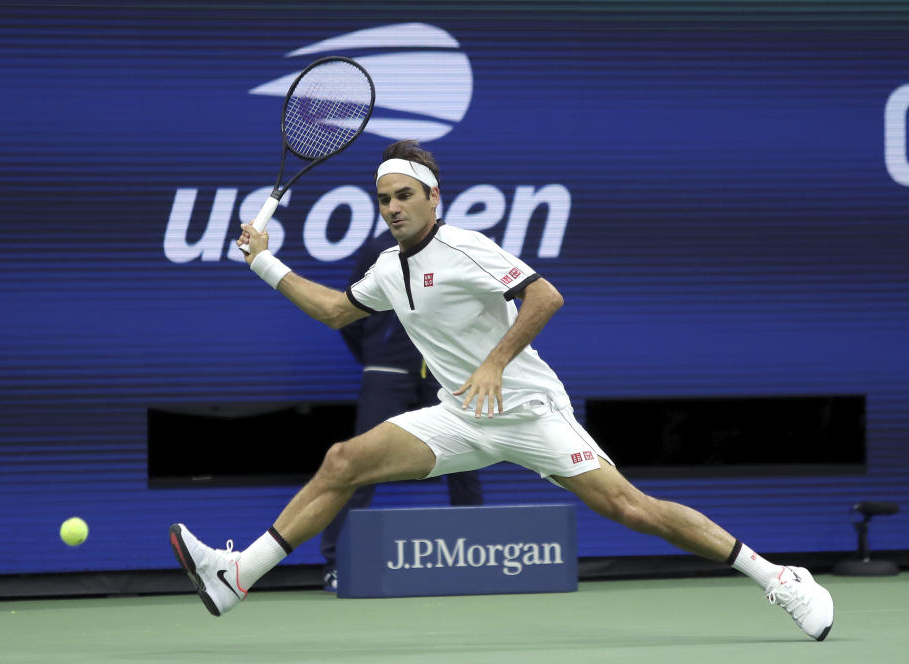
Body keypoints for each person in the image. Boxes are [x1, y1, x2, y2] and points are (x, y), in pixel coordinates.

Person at [169, 140, 834, 641]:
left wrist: (494, 362)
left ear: (433, 198)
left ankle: (778, 576)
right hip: (460, 417)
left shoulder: (464, 246)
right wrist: (263, 261)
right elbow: (338, 310)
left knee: (631, 509)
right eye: (385, 198)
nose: (394, 207)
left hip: (528, 412)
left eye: (406, 195)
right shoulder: (385, 269)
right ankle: (238, 576)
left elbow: (545, 295)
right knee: (343, 460)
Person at [320, 233, 484, 593]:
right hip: (388, 367)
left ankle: (478, 557)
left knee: (468, 460)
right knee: (360, 465)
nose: (398, 206)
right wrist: (377, 354)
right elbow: (349, 311)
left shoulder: (455, 247)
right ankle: (337, 563)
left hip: (446, 369)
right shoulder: (378, 248)